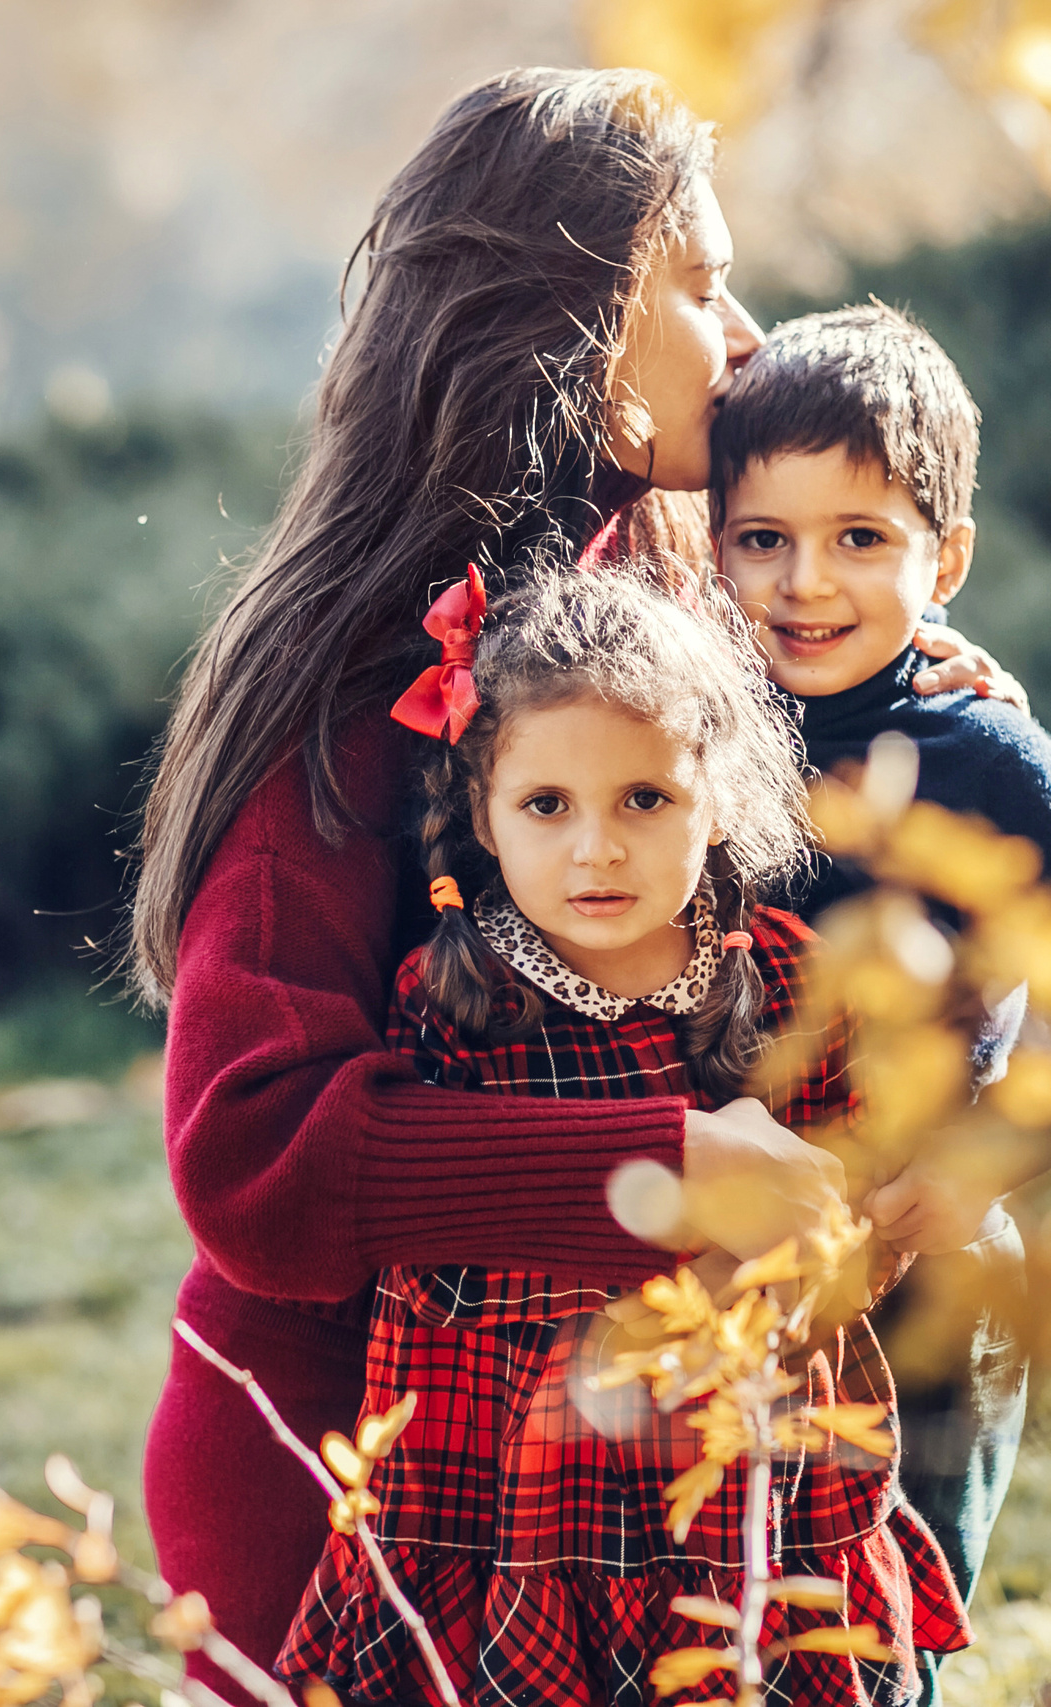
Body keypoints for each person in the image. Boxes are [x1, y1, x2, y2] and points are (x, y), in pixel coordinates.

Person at [128, 71, 1018, 1678]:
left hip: (632, 1485)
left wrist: (922, 708)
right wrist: (663, 1171)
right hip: (367, 1492)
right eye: (697, 282)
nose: (744, 333)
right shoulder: (357, 689)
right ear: (580, 320)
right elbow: (250, 1156)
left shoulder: (663, 604)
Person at [277, 570, 969, 1703]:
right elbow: (440, 1275)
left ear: (717, 795)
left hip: (760, 1468)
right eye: (546, 805)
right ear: (482, 815)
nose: (596, 850)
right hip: (530, 1495)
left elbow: (857, 1194)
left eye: (644, 800)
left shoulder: (791, 973)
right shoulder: (459, 998)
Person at [707, 303, 1051, 1642]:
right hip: (735, 1271)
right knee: (733, 1619)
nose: (806, 583)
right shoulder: (699, 731)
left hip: (928, 1282)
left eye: (860, 540)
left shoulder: (990, 760)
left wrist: (948, 1183)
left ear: (946, 555)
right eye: (764, 541)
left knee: (885, 1620)